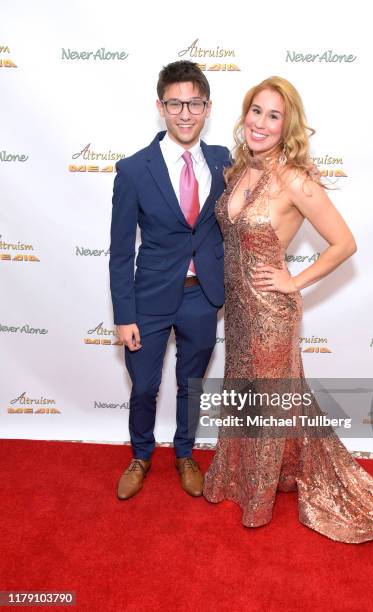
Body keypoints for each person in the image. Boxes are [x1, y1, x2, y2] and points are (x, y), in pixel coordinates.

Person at [203, 76, 373, 552]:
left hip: (271, 311)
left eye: (274, 115)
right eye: (256, 111)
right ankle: (247, 475)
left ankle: (259, 498)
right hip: (240, 311)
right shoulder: (237, 171)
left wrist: (293, 281)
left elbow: (345, 243)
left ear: (286, 125)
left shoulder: (294, 179)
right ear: (244, 115)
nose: (262, 123)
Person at [109, 60, 230, 500]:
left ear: (207, 107)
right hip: (149, 299)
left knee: (190, 384)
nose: (185, 113)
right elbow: (121, 251)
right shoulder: (134, 170)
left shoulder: (223, 163)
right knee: (143, 386)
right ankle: (141, 455)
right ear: (160, 106)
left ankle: (185, 454)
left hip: (203, 297)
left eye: (194, 103)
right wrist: (124, 315)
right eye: (175, 103)